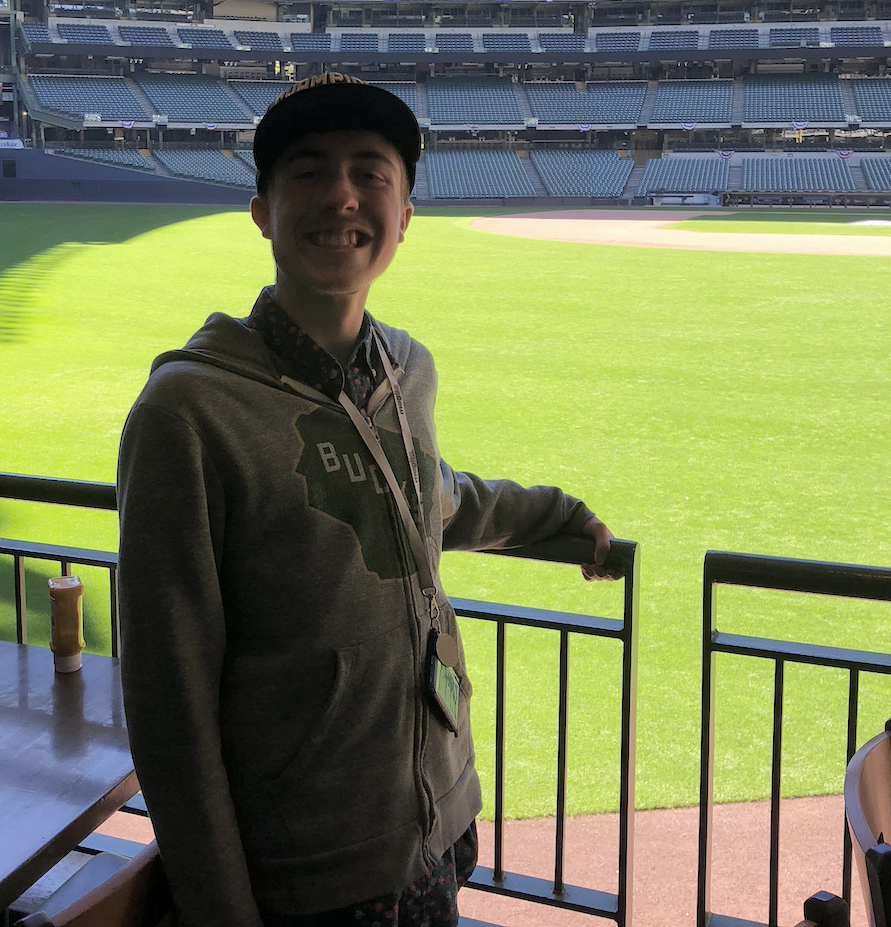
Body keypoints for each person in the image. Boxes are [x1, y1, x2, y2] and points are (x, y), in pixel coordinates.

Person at [116, 71, 613, 926]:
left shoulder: (406, 368)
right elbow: (169, 709)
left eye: (370, 173)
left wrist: (558, 520)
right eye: (308, 172)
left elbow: (433, 499)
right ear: (262, 210)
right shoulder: (188, 415)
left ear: (406, 214)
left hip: (437, 832)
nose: (341, 196)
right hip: (307, 879)